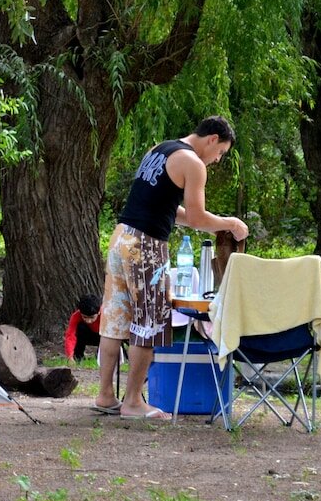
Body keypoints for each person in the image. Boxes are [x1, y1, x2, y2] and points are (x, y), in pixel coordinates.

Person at [93, 116, 249, 420]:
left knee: (115, 319)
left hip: (121, 237)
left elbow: (166, 207)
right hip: (146, 246)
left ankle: (105, 395)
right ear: (212, 139)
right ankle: (133, 402)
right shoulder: (193, 164)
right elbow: (198, 218)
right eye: (220, 152)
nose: (217, 159)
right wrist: (230, 223)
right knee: (150, 323)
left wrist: (215, 223)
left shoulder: (159, 149)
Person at [64, 294, 102, 364]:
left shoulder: (106, 315)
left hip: (104, 337)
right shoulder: (76, 316)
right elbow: (70, 336)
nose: (88, 321)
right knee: (80, 328)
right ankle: (78, 357)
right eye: (85, 317)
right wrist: (70, 356)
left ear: (99, 312)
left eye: (92, 317)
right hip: (88, 335)